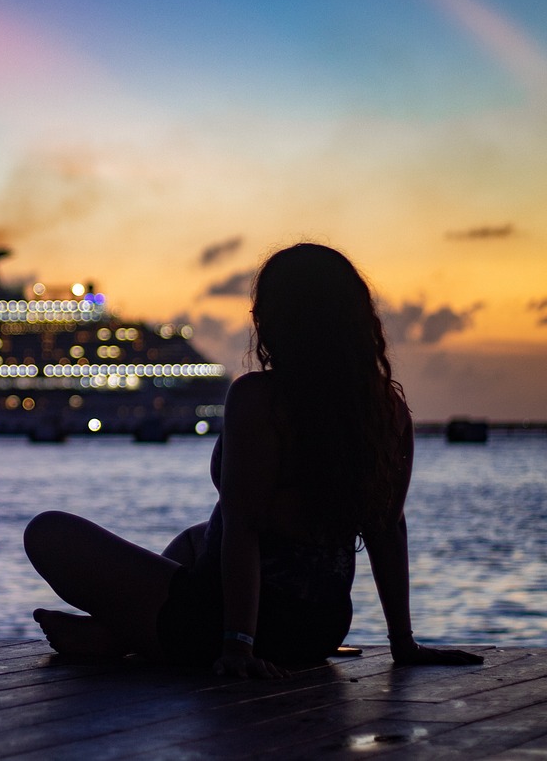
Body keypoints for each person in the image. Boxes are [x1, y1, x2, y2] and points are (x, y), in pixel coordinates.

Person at [24, 243, 483, 677]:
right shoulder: (387, 411)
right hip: (320, 627)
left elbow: (244, 528)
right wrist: (403, 643)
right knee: (196, 538)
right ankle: (118, 634)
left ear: (276, 320)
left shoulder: (259, 399)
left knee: (47, 531)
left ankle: (123, 636)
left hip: (230, 622)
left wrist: (237, 645)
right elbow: (387, 528)